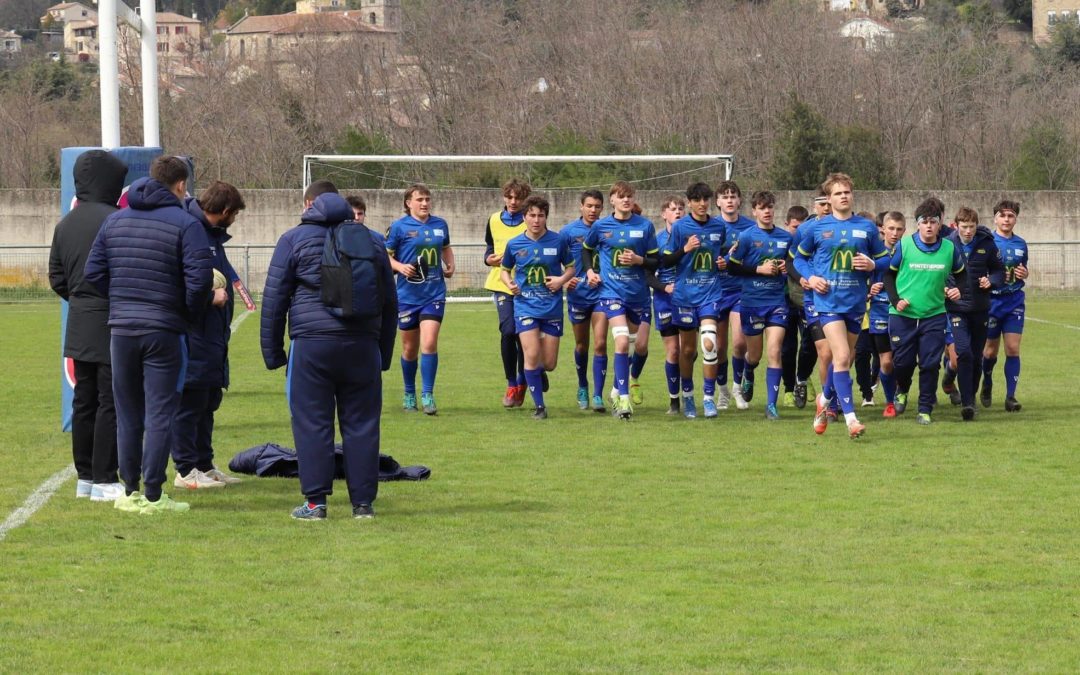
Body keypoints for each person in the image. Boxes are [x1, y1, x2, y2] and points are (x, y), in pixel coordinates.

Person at [261, 180, 397, 519]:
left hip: (312, 345)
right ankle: (362, 504)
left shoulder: (293, 239)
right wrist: (383, 353)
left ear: (309, 205)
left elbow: (275, 300)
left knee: (313, 423)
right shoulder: (372, 241)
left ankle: (315, 502)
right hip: (362, 345)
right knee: (362, 424)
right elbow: (389, 302)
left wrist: (274, 352)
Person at [84, 155, 213, 514]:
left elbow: (94, 273)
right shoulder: (186, 224)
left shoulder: (115, 220)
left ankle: (129, 491)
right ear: (181, 185)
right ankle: (153, 493)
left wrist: (122, 300)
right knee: (160, 412)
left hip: (122, 330)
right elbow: (199, 280)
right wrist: (184, 313)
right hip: (163, 330)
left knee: (127, 412)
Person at [48, 149, 127, 502]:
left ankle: (85, 477)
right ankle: (106, 478)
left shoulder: (65, 224)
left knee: (84, 400)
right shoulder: (117, 220)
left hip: (80, 320)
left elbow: (56, 277)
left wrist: (80, 299)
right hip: (112, 320)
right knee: (110, 400)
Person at [793, 173, 889, 439]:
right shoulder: (816, 228)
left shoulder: (867, 227)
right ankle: (851, 420)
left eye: (847, 192)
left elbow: (885, 260)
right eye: (838, 193)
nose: (843, 196)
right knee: (843, 357)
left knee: (841, 361)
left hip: (856, 303)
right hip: (828, 303)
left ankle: (823, 400)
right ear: (829, 199)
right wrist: (811, 278)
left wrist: (872, 264)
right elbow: (798, 260)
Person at [171, 181, 247, 490]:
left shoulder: (212, 236)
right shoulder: (190, 230)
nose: (235, 220)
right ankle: (185, 470)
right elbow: (178, 284)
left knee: (207, 402)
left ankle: (204, 464)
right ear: (226, 210)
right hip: (195, 334)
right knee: (191, 403)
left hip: (214, 334)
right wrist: (208, 297)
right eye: (235, 214)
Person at [581, 181, 660, 420]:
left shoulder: (645, 226)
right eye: (621, 196)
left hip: (638, 296)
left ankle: (616, 391)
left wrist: (638, 260)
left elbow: (656, 261)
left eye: (629, 196)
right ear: (612, 200)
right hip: (611, 294)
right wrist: (590, 271)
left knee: (638, 347)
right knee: (622, 342)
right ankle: (624, 400)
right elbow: (586, 249)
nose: (626, 200)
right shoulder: (601, 226)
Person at [885, 197, 967, 425]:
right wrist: (896, 300)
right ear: (918, 224)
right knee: (902, 363)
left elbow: (962, 275)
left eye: (933, 222)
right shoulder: (904, 246)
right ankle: (902, 388)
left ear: (940, 224)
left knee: (930, 364)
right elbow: (888, 275)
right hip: (903, 316)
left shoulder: (949, 248)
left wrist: (958, 290)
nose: (929, 226)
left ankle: (924, 409)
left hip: (934, 315)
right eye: (925, 222)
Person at [500, 195, 576, 419]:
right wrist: (509, 283)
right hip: (525, 307)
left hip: (551, 308)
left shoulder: (558, 241)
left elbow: (571, 268)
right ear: (524, 217)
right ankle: (540, 407)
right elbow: (504, 270)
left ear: (546, 217)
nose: (536, 220)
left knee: (549, 363)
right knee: (531, 355)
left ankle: (532, 373)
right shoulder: (514, 244)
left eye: (540, 215)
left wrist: (560, 281)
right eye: (532, 215)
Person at [385, 184, 455, 415]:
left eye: (427, 199)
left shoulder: (440, 224)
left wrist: (450, 264)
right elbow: (386, 256)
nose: (425, 203)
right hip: (407, 296)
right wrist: (400, 267)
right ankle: (409, 393)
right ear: (408, 203)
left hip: (434, 294)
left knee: (429, 342)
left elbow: (446, 247)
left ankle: (427, 395)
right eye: (419, 199)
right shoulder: (399, 227)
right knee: (409, 349)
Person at [661, 183, 726, 419]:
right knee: (687, 350)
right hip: (685, 296)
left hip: (710, 294)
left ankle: (708, 398)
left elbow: (722, 252)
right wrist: (686, 249)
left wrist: (723, 262)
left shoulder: (718, 226)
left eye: (705, 199)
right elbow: (666, 261)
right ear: (689, 203)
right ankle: (687, 396)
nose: (702, 204)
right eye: (697, 200)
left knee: (709, 344)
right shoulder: (680, 228)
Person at [727, 190, 793, 420]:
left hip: (777, 303)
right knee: (754, 355)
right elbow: (732, 267)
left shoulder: (785, 238)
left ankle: (771, 405)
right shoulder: (746, 237)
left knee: (775, 351)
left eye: (770, 207)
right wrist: (759, 269)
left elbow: (793, 265)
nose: (767, 211)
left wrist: (786, 268)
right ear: (754, 211)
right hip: (752, 303)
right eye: (762, 208)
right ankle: (748, 370)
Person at [944, 207, 1005, 420]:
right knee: (964, 353)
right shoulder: (947, 245)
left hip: (980, 308)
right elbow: (938, 272)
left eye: (972, 226)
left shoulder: (987, 244)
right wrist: (945, 288)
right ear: (956, 225)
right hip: (956, 309)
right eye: (964, 227)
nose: (968, 231)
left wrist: (991, 281)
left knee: (977, 356)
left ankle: (971, 397)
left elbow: (999, 271)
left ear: (977, 225)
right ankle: (967, 403)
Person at [483, 178, 531, 408]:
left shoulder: (531, 220)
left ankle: (524, 379)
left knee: (524, 334)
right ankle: (512, 383)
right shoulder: (493, 219)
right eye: (509, 197)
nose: (513, 202)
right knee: (509, 331)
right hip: (501, 284)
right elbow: (489, 248)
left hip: (526, 286)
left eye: (518, 198)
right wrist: (488, 259)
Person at [560, 190, 609, 412]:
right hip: (578, 295)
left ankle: (598, 394)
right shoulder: (568, 232)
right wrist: (563, 280)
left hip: (602, 294)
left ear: (602, 208)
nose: (593, 210)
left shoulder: (608, 229)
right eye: (589, 206)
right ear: (581, 206)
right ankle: (582, 385)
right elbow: (555, 259)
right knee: (582, 344)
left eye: (597, 206)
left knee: (600, 343)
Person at [980, 199, 1028, 412]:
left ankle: (1011, 396)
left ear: (1015, 219)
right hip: (991, 302)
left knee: (1013, 348)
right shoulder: (987, 242)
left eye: (1010, 216)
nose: (1006, 219)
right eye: (1003, 215)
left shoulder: (1021, 244)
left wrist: (1024, 273)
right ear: (995, 218)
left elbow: (1023, 268)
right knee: (990, 351)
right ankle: (987, 380)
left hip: (1014, 301)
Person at [714, 181, 757, 410]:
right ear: (718, 202)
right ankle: (722, 391)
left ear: (740, 200)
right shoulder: (711, 227)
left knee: (740, 342)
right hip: (716, 292)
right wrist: (718, 262)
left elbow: (754, 257)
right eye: (725, 196)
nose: (729, 200)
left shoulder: (750, 228)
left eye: (733, 196)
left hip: (741, 290)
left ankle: (737, 388)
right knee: (719, 347)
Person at [864, 212, 905, 418]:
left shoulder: (908, 251)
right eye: (891, 229)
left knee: (903, 361)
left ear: (904, 231)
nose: (895, 233)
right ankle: (890, 402)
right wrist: (869, 289)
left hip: (903, 312)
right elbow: (860, 278)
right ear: (883, 229)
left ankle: (902, 392)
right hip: (879, 312)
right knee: (886, 361)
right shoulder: (873, 253)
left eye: (899, 229)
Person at [652, 195, 686, 415]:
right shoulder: (656, 241)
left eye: (681, 208)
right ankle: (674, 400)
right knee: (673, 351)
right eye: (673, 209)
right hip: (665, 300)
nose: (678, 212)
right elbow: (648, 274)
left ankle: (688, 392)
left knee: (689, 351)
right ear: (664, 214)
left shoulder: (692, 237)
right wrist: (664, 287)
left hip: (689, 299)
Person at [779, 204, 812, 408]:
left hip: (806, 300)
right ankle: (789, 389)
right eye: (795, 227)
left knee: (809, 344)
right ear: (787, 225)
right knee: (787, 348)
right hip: (784, 300)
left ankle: (803, 377)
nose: (798, 231)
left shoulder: (809, 244)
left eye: (802, 227)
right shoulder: (781, 243)